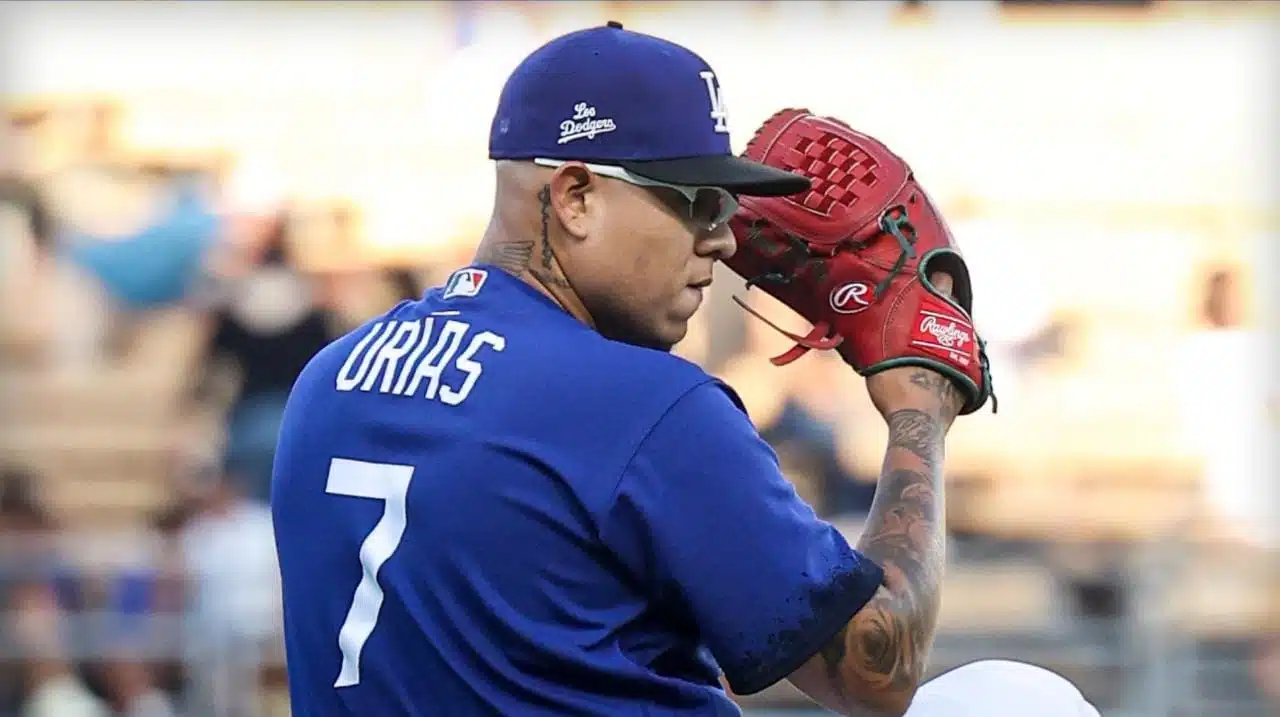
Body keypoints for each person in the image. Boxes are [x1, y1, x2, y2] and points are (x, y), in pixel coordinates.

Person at [271, 22, 1099, 717]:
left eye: (727, 205)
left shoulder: (329, 379)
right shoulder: (644, 407)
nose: (724, 239)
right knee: (1019, 697)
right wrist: (919, 414)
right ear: (575, 197)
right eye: (691, 200)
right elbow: (874, 666)